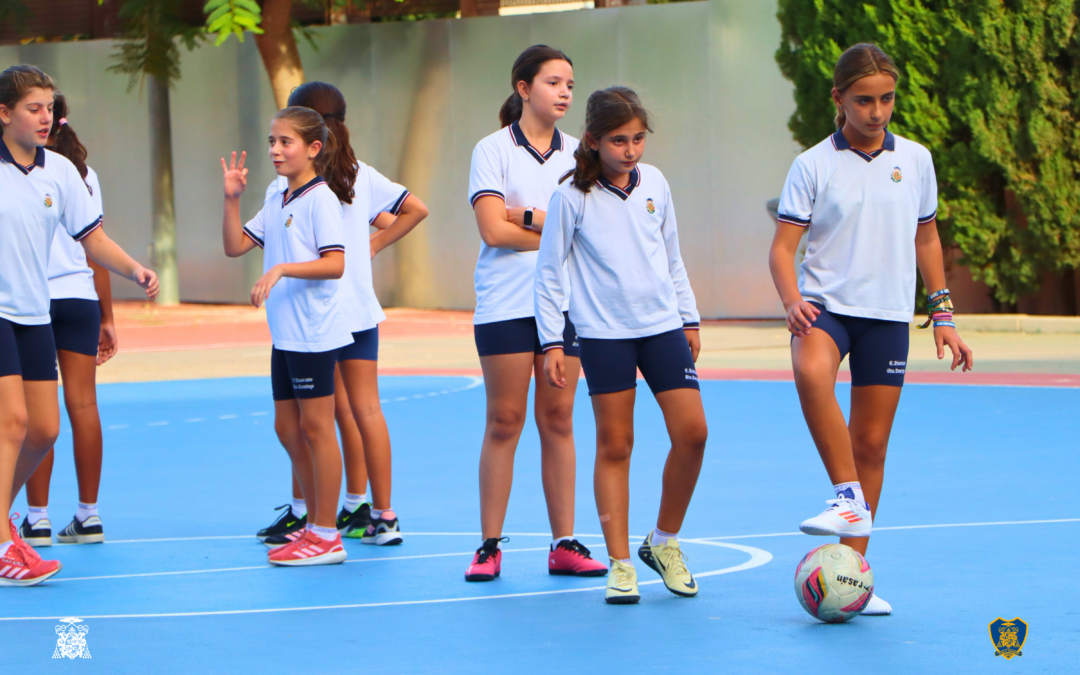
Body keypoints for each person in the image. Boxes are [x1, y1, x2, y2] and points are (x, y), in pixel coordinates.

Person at [769, 43, 973, 616]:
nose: (877, 111)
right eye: (864, 100)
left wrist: (945, 315)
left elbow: (926, 237)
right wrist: (790, 300)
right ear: (838, 99)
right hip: (825, 307)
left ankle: (852, 577)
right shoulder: (813, 164)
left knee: (873, 444)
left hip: (886, 315)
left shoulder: (917, 159)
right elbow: (783, 249)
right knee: (811, 373)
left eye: (886, 99)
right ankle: (846, 496)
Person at [536, 86, 708, 605]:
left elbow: (672, 256)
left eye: (637, 139)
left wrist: (689, 318)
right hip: (604, 336)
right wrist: (551, 342)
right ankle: (619, 562)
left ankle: (664, 541)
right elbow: (549, 275)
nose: (630, 150)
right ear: (592, 140)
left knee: (694, 433)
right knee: (616, 445)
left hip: (662, 330)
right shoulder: (570, 198)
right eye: (618, 140)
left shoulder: (655, 182)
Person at [0, 65, 158, 587]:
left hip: (34, 312)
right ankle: (4, 542)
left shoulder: (61, 172)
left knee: (44, 430)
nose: (46, 118)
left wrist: (134, 268)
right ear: (3, 114)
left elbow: (92, 239)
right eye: (33, 108)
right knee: (13, 423)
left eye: (49, 108)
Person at [257, 81, 429, 548]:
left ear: (309, 130)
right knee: (362, 410)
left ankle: (312, 514)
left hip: (321, 310)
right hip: (356, 306)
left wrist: (370, 242)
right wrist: (374, 243)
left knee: (318, 419)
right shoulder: (358, 173)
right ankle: (376, 510)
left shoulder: (299, 184)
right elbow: (415, 210)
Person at [464, 45, 606, 582]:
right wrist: (551, 225)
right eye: (553, 82)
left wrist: (523, 213)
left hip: (565, 307)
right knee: (504, 420)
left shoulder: (581, 155)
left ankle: (564, 543)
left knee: (559, 419)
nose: (565, 91)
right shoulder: (491, 149)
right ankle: (488, 546)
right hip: (503, 302)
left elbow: (585, 231)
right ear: (524, 89)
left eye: (570, 82)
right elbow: (491, 231)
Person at [221, 106, 351, 567]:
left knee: (317, 428)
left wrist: (280, 269)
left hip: (315, 333)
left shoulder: (321, 199)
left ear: (314, 149)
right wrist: (232, 199)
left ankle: (326, 534)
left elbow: (335, 263)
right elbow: (235, 245)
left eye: (285, 142)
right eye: (272, 141)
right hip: (286, 334)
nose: (275, 150)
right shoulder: (278, 195)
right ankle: (316, 524)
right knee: (287, 427)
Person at [21, 93, 116, 548]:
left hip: (33, 302)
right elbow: (96, 248)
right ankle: (89, 514)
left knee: (36, 413)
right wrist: (108, 316)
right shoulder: (84, 172)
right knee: (83, 407)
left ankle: (36, 518)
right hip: (79, 297)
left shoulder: (28, 171)